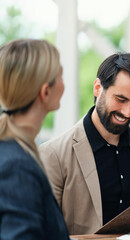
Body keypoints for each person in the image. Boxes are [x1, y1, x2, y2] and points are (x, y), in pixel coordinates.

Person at [39, 53, 130, 235]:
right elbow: (47, 228)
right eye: (121, 100)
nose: (127, 112)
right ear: (98, 88)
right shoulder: (54, 154)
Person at [0, 39, 69, 239]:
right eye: (61, 75)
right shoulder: (16, 166)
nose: (64, 84)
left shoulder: (14, 152)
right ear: (45, 92)